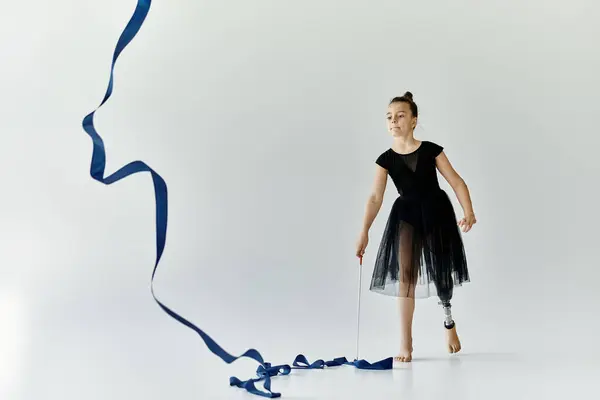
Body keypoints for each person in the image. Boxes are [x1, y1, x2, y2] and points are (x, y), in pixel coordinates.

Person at [355, 91, 476, 362]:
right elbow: (375, 198)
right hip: (406, 217)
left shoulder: (432, 150)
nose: (394, 121)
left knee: (442, 272)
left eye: (400, 116)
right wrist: (364, 231)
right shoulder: (385, 159)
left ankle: (448, 319)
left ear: (413, 120)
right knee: (405, 278)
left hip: (437, 213)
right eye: (389, 117)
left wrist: (469, 211)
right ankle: (405, 343)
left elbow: (456, 181)